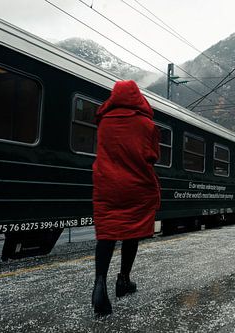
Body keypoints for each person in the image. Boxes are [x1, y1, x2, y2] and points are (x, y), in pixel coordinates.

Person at [91, 80, 161, 316]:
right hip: (135, 185)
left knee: (107, 232)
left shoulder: (103, 122)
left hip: (106, 183)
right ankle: (123, 280)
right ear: (137, 97)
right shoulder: (146, 124)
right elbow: (153, 156)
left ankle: (99, 284)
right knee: (132, 230)